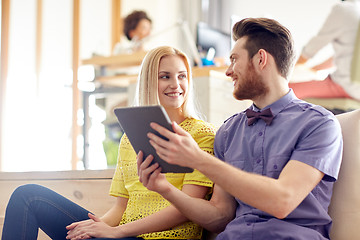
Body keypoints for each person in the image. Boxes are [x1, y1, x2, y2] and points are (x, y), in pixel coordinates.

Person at [138, 18, 343, 240]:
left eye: (234, 59)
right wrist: (165, 189)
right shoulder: (228, 132)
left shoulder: (319, 124)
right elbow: (219, 218)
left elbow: (283, 200)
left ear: (261, 59)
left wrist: (198, 159)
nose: (228, 71)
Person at [1, 46, 217, 240]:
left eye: (182, 76)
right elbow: (120, 208)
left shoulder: (201, 134)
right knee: (28, 196)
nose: (176, 84)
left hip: (158, 238)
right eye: (165, 76)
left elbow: (187, 207)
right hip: (122, 236)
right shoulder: (130, 138)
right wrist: (91, 229)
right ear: (149, 81)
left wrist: (116, 232)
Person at [289, 0, 360, 101]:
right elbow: (345, 55)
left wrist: (289, 72)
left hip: (349, 88)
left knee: (284, 90)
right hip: (352, 86)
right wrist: (314, 69)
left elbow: (312, 48)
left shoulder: (344, 10)